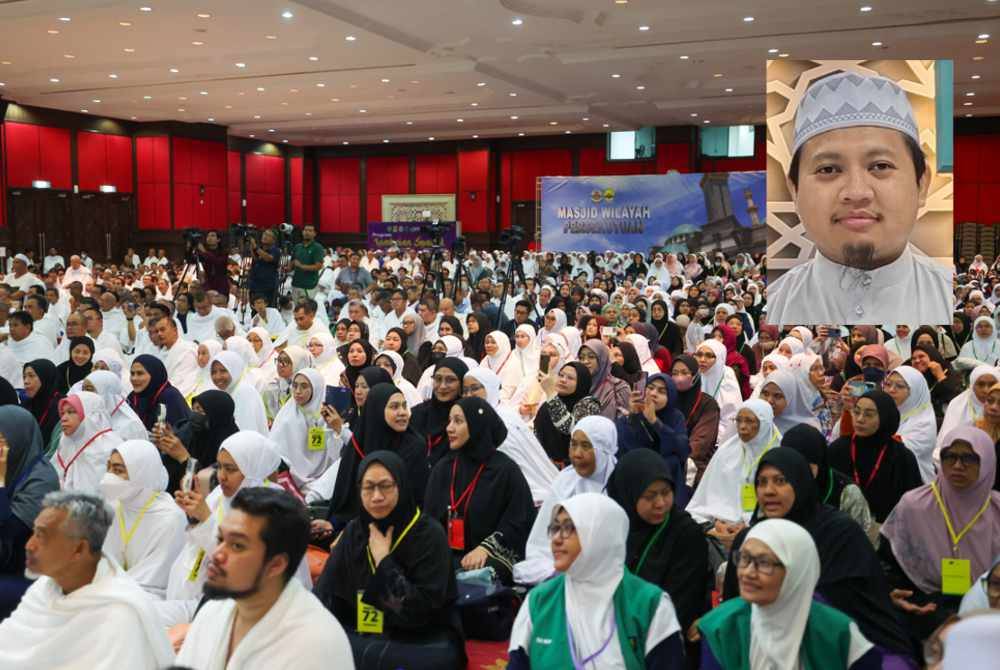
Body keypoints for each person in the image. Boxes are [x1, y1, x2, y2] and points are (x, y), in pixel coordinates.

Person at [765, 71, 951, 326]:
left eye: (880, 166)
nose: (856, 192)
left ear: (922, 183)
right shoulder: (774, 303)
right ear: (794, 190)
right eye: (828, 169)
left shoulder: (952, 299)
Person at [722, 448, 915, 660]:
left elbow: (858, 601)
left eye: (780, 481)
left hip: (837, 646)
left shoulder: (839, 532)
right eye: (762, 482)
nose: (769, 491)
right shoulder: (751, 540)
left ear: (800, 483)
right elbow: (735, 607)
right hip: (761, 646)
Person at [315, 451, 465, 669]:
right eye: (368, 487)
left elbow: (420, 614)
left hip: (419, 637)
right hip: (361, 631)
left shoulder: (429, 534)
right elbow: (326, 595)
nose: (377, 496)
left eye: (385, 486)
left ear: (401, 486)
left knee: (436, 661)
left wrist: (383, 560)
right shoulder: (354, 531)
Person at [176, 487, 354, 669]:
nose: (217, 554)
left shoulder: (317, 643)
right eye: (220, 539)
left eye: (237, 546)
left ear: (276, 565)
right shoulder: (213, 612)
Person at [508, 493, 686, 669]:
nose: (556, 539)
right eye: (555, 528)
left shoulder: (649, 605)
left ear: (601, 535)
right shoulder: (539, 601)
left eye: (570, 528)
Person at [0, 491, 174, 669]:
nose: (29, 545)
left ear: (79, 549)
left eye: (41, 535)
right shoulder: (44, 587)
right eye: (34, 532)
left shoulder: (119, 616)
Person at [159, 431, 310, 627]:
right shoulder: (219, 496)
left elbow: (242, 562)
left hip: (245, 608)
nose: (221, 476)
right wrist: (195, 516)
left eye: (230, 469)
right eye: (219, 467)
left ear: (252, 469)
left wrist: (205, 519)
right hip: (202, 600)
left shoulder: (274, 509)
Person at [699, 518, 877, 669]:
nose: (747, 573)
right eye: (744, 558)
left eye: (764, 563)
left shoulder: (836, 632)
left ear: (796, 571)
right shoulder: (722, 627)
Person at [880, 425, 1000, 639]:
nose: (957, 466)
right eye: (949, 456)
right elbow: (890, 567)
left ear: (988, 462)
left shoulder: (997, 511)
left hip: (988, 616)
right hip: (924, 613)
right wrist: (895, 596)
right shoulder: (915, 505)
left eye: (969, 458)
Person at [423, 397, 534, 586]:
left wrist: (486, 549)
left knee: (476, 578)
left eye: (458, 421)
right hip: (447, 554)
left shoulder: (504, 470)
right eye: (450, 421)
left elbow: (518, 521)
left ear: (477, 425)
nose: (449, 428)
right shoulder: (444, 467)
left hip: (488, 557)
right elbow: (429, 520)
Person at [606, 449, 709, 644]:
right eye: (650, 496)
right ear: (629, 494)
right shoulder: (614, 528)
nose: (660, 503)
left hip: (660, 639)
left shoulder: (685, 534)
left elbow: (679, 606)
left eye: (666, 493)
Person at [515, 415, 618, 585]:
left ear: (604, 450)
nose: (577, 454)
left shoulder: (619, 482)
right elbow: (542, 540)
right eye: (573, 444)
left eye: (586, 446)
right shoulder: (565, 481)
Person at [99, 440, 186, 597]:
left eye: (118, 471)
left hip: (152, 597)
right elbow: (102, 559)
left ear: (141, 473)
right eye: (108, 468)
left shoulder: (170, 518)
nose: (109, 476)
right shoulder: (116, 504)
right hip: (113, 590)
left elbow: (152, 579)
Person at [0, 406, 60, 619]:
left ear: (18, 439)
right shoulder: (11, 466)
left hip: (27, 572)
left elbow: (9, 536)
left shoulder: (42, 481)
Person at [828, 390, 922, 523]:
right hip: (842, 529)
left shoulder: (901, 457)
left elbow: (913, 506)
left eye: (868, 415)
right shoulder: (838, 449)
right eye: (856, 412)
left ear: (885, 417)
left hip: (888, 531)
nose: (860, 419)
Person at [688, 399, 781, 531]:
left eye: (749, 421)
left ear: (764, 423)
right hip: (720, 524)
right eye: (738, 420)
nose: (742, 426)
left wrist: (747, 526)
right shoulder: (727, 451)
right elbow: (705, 501)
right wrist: (715, 525)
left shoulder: (778, 454)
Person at [780, 424, 875, 541]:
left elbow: (861, 541)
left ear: (820, 462)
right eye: (792, 466)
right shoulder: (777, 484)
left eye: (807, 466)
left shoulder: (846, 492)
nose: (800, 473)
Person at [615, 373, 690, 506]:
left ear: (671, 396)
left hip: (663, 475)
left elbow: (682, 450)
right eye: (650, 388)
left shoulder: (675, 417)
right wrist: (634, 417)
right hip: (635, 473)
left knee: (672, 461)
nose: (654, 394)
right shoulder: (630, 416)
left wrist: (655, 422)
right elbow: (625, 449)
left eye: (662, 391)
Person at [267, 367, 347, 490]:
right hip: (290, 477)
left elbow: (335, 455)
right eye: (295, 386)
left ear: (316, 389)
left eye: (304, 386)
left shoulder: (327, 416)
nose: (298, 391)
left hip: (325, 479)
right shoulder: (287, 415)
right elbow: (276, 452)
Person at [155, 389, 239, 494]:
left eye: (201, 411)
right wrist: (165, 441)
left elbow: (214, 485)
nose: (195, 416)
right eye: (194, 410)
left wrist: (185, 458)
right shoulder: (187, 429)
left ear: (216, 415)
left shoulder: (230, 446)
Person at [532, 361, 601, 465]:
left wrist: (551, 393)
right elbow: (537, 434)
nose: (563, 380)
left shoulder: (589, 404)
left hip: (573, 467)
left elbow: (569, 428)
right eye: (561, 375)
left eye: (570, 378)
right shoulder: (548, 404)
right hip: (543, 465)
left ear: (582, 382)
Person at [53, 392, 123, 494]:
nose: (63, 419)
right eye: (62, 413)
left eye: (71, 412)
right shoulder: (66, 442)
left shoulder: (108, 447)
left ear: (89, 414)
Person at [671, 354, 721, 486]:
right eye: (675, 373)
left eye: (684, 372)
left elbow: (701, 443)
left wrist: (677, 458)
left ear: (695, 375)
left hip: (695, 463)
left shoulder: (708, 404)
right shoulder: (667, 399)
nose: (679, 377)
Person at [409, 357, 468, 468]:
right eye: (438, 379)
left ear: (462, 384)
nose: (442, 386)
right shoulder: (418, 413)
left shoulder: (467, 417)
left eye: (450, 380)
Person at [884, 365, 938, 482]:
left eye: (899, 386)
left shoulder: (924, 422)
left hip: (916, 483)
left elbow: (898, 452)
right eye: (888, 384)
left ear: (914, 391)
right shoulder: (888, 412)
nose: (891, 390)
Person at [940, 364, 998, 451]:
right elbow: (946, 439)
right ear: (972, 386)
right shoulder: (958, 404)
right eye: (981, 384)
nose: (986, 390)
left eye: (991, 384)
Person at [127, 354, 192, 433]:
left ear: (154, 374)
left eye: (140, 373)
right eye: (132, 373)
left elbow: (178, 434)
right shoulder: (132, 397)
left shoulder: (169, 396)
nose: (134, 378)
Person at [694, 339, 742, 445]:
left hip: (717, 439)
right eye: (699, 354)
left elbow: (730, 420)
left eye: (709, 356)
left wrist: (708, 438)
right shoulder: (695, 375)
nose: (702, 359)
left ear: (719, 358)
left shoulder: (727, 379)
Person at [210, 350, 269, 435]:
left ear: (234, 369)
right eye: (213, 372)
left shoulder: (243, 392)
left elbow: (247, 432)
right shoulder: (228, 392)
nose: (217, 377)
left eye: (223, 371)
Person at [80, 370, 147, 441]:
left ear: (106, 393)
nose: (84, 394)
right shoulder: (88, 418)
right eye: (83, 390)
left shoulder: (132, 426)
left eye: (89, 389)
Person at [578, 338, 631, 420]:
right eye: (581, 358)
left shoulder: (619, 388)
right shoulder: (578, 385)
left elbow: (625, 422)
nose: (585, 361)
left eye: (591, 357)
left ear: (602, 359)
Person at [21, 359, 63, 452]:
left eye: (31, 376)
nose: (26, 381)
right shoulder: (26, 404)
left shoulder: (61, 407)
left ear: (45, 377)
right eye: (24, 377)